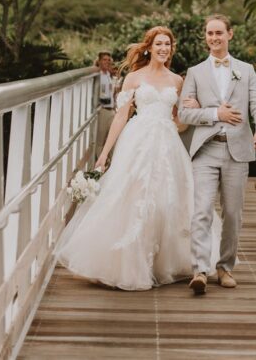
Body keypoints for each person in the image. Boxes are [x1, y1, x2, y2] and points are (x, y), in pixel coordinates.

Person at [54, 27, 194, 290]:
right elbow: (121, 116)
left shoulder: (177, 81)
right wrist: (104, 154)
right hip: (137, 141)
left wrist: (185, 117)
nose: (163, 48)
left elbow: (180, 122)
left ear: (171, 49)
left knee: (166, 199)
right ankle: (130, 263)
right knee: (133, 196)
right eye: (159, 44)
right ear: (148, 48)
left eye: (168, 44)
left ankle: (159, 262)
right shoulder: (133, 78)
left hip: (167, 144)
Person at [178, 14, 256, 295]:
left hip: (237, 151)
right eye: (209, 33)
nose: (214, 38)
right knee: (201, 210)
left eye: (219, 32)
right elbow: (183, 113)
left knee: (232, 213)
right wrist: (214, 113)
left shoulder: (246, 69)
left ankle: (225, 266)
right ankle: (199, 270)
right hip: (205, 149)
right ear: (205, 37)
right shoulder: (194, 72)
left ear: (230, 34)